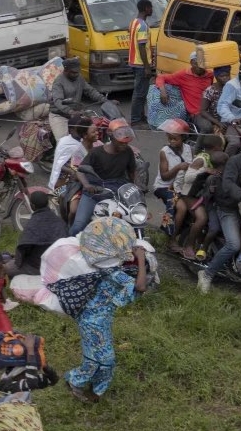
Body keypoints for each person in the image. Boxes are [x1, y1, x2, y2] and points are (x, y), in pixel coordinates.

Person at [65, 241, 149, 401]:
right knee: (106, 358)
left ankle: (87, 385)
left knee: (95, 355)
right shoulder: (114, 272)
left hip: (95, 319)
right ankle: (83, 384)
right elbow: (140, 286)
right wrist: (141, 257)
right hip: (93, 321)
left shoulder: (106, 267)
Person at [199, 145, 241, 293]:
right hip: (229, 208)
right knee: (233, 244)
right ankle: (206, 274)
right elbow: (228, 184)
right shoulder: (235, 162)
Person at [71, 120, 138, 236]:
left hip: (116, 194)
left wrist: (135, 188)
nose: (124, 145)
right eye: (121, 142)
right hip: (94, 193)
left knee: (133, 222)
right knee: (79, 225)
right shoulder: (96, 153)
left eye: (126, 143)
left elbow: (132, 172)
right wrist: (87, 185)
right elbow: (80, 171)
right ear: (111, 137)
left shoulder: (128, 152)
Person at [48, 57, 106, 140]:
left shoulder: (79, 78)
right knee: (63, 140)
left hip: (77, 113)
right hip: (59, 115)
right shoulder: (58, 82)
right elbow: (58, 101)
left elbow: (90, 91)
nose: (76, 74)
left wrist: (105, 100)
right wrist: (70, 111)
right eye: (73, 73)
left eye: (78, 72)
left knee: (92, 133)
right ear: (66, 70)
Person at [153, 121, 193, 235]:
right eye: (170, 138)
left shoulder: (188, 149)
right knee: (181, 207)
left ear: (183, 137)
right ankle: (172, 237)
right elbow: (164, 177)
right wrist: (178, 167)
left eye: (175, 139)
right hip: (164, 186)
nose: (172, 141)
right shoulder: (164, 152)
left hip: (180, 185)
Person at [156, 51, 213, 127]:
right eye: (197, 63)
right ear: (191, 63)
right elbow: (161, 77)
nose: (200, 66)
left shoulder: (210, 74)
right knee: (207, 127)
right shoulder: (183, 75)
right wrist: (163, 91)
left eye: (202, 63)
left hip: (209, 110)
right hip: (196, 113)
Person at [48, 113, 96, 191]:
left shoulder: (71, 139)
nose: (83, 131)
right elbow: (60, 165)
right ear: (72, 130)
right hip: (61, 184)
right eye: (80, 129)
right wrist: (73, 172)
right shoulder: (71, 145)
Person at [128, 0, 155, 128]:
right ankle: (135, 120)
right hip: (140, 64)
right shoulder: (143, 25)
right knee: (139, 94)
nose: (152, 10)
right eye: (150, 8)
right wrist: (147, 66)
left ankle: (140, 116)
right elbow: (142, 47)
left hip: (134, 62)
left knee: (141, 92)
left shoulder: (134, 22)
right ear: (145, 8)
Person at [197, 65, 231, 136]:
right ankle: (198, 146)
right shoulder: (210, 90)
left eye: (227, 75)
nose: (225, 78)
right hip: (213, 120)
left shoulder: (231, 89)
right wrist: (218, 123)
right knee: (209, 130)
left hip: (227, 120)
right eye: (222, 76)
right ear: (216, 77)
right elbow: (203, 111)